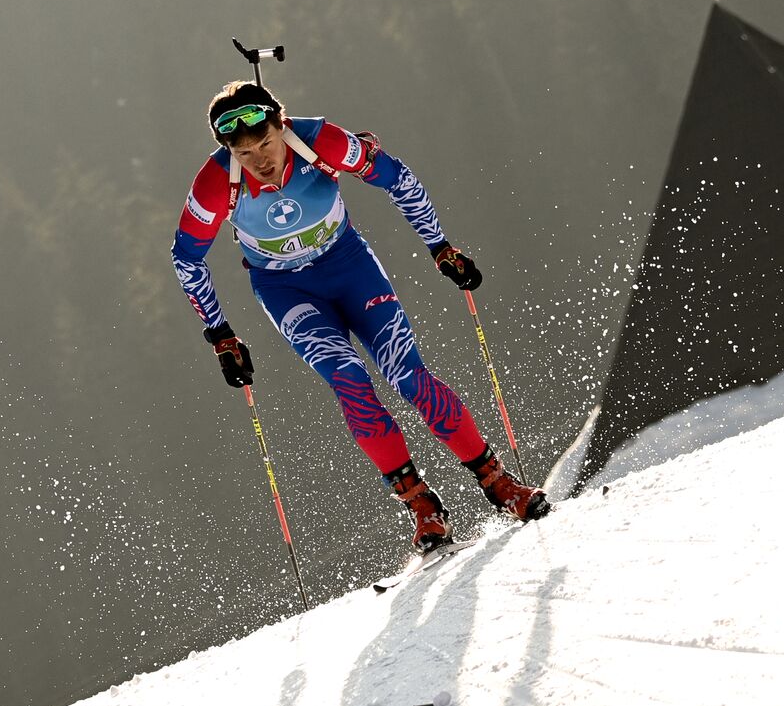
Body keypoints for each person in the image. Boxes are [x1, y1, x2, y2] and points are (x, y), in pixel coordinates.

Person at [172, 80, 549, 553]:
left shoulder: (319, 140)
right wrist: (220, 334)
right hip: (286, 290)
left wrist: (440, 247)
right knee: (349, 379)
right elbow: (186, 257)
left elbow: (397, 178)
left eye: (265, 142)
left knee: (406, 374)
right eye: (244, 153)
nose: (260, 160)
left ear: (280, 124)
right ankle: (421, 506)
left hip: (350, 268)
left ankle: (498, 483)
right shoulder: (214, 183)